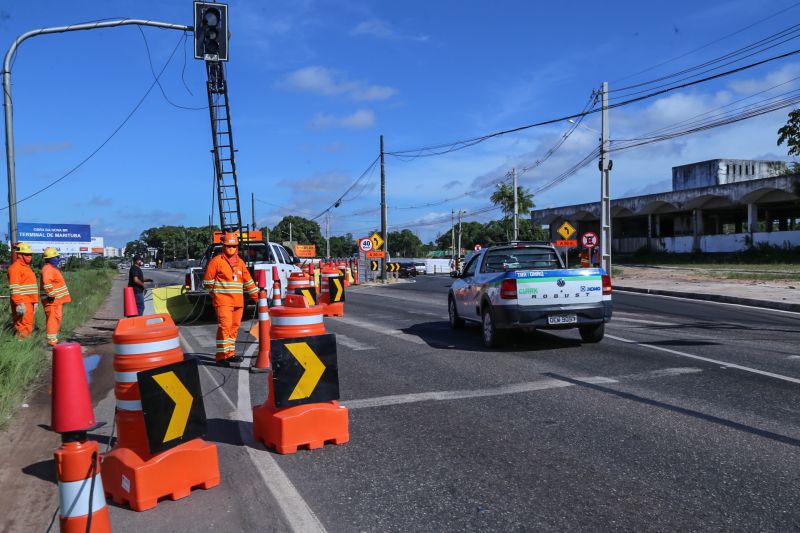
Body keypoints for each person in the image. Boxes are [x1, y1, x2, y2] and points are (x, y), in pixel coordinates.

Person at [203, 232, 259, 365]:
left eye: (233, 246)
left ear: (237, 247)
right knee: (225, 327)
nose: (231, 249)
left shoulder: (240, 263)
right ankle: (221, 357)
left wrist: (258, 299)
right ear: (223, 246)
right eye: (228, 246)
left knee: (234, 328)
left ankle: (230, 354)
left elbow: (249, 282)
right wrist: (216, 294)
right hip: (223, 302)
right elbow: (207, 282)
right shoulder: (216, 261)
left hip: (238, 302)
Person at [40, 247, 71, 346]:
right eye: (56, 257)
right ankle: (51, 342)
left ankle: (54, 339)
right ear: (50, 259)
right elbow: (47, 282)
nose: (58, 259)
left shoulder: (52, 268)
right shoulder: (48, 269)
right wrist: (51, 294)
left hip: (56, 300)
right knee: (52, 320)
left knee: (56, 318)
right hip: (51, 300)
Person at [8, 242, 39, 338]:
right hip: (22, 302)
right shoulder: (15, 268)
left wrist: (35, 302)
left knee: (28, 325)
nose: (29, 256)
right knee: (23, 326)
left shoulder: (27, 268)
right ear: (19, 255)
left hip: (29, 302)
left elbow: (31, 287)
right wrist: (19, 303)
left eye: (30, 254)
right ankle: (21, 345)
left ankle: (25, 345)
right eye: (26, 254)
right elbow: (14, 288)